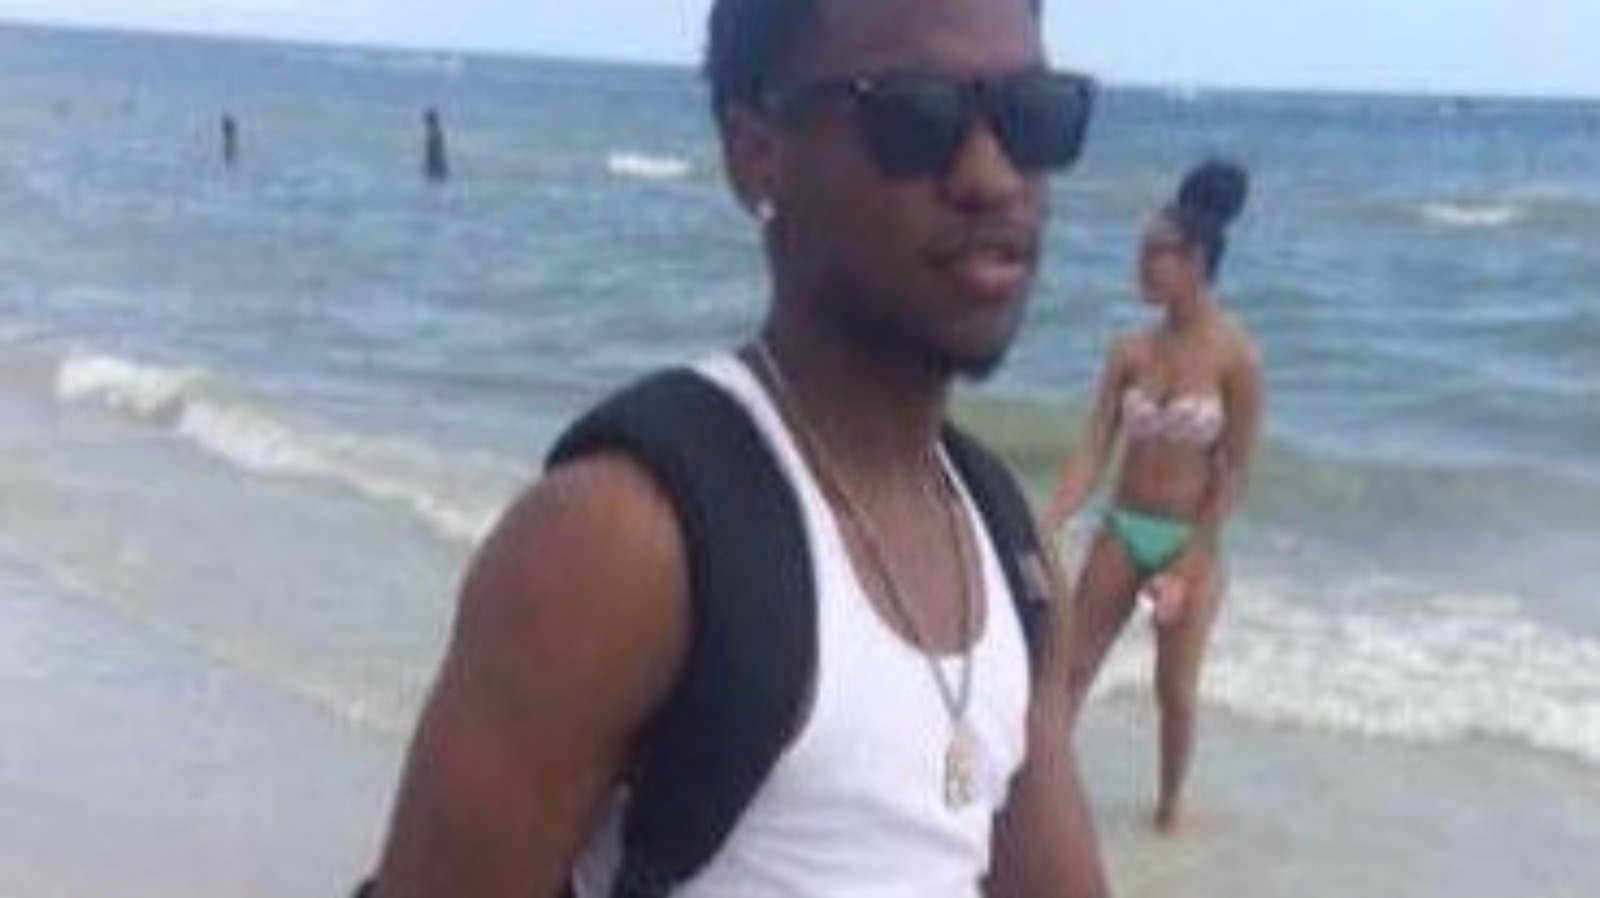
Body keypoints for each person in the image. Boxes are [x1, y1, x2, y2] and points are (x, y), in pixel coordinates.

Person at [366, 0, 1106, 896]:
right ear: (756, 154)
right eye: (916, 115)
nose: (990, 175)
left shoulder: (1008, 552)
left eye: (1034, 115)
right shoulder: (625, 540)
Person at [1041, 158, 1263, 832]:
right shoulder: (1130, 350)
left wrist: (1187, 566)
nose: (1139, 265)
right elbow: (1093, 448)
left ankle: (1168, 812)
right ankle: (1043, 800)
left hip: (1191, 539)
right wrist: (1049, 518)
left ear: (1193, 261)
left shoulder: (1236, 356)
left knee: (1175, 693)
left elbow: (1235, 471)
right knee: (1069, 671)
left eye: (1153, 253)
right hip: (1123, 528)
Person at [423, 106, 449, 183]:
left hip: (436, 166)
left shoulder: (434, 135)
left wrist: (427, 166)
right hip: (438, 165)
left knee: (434, 183)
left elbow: (433, 153)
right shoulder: (436, 134)